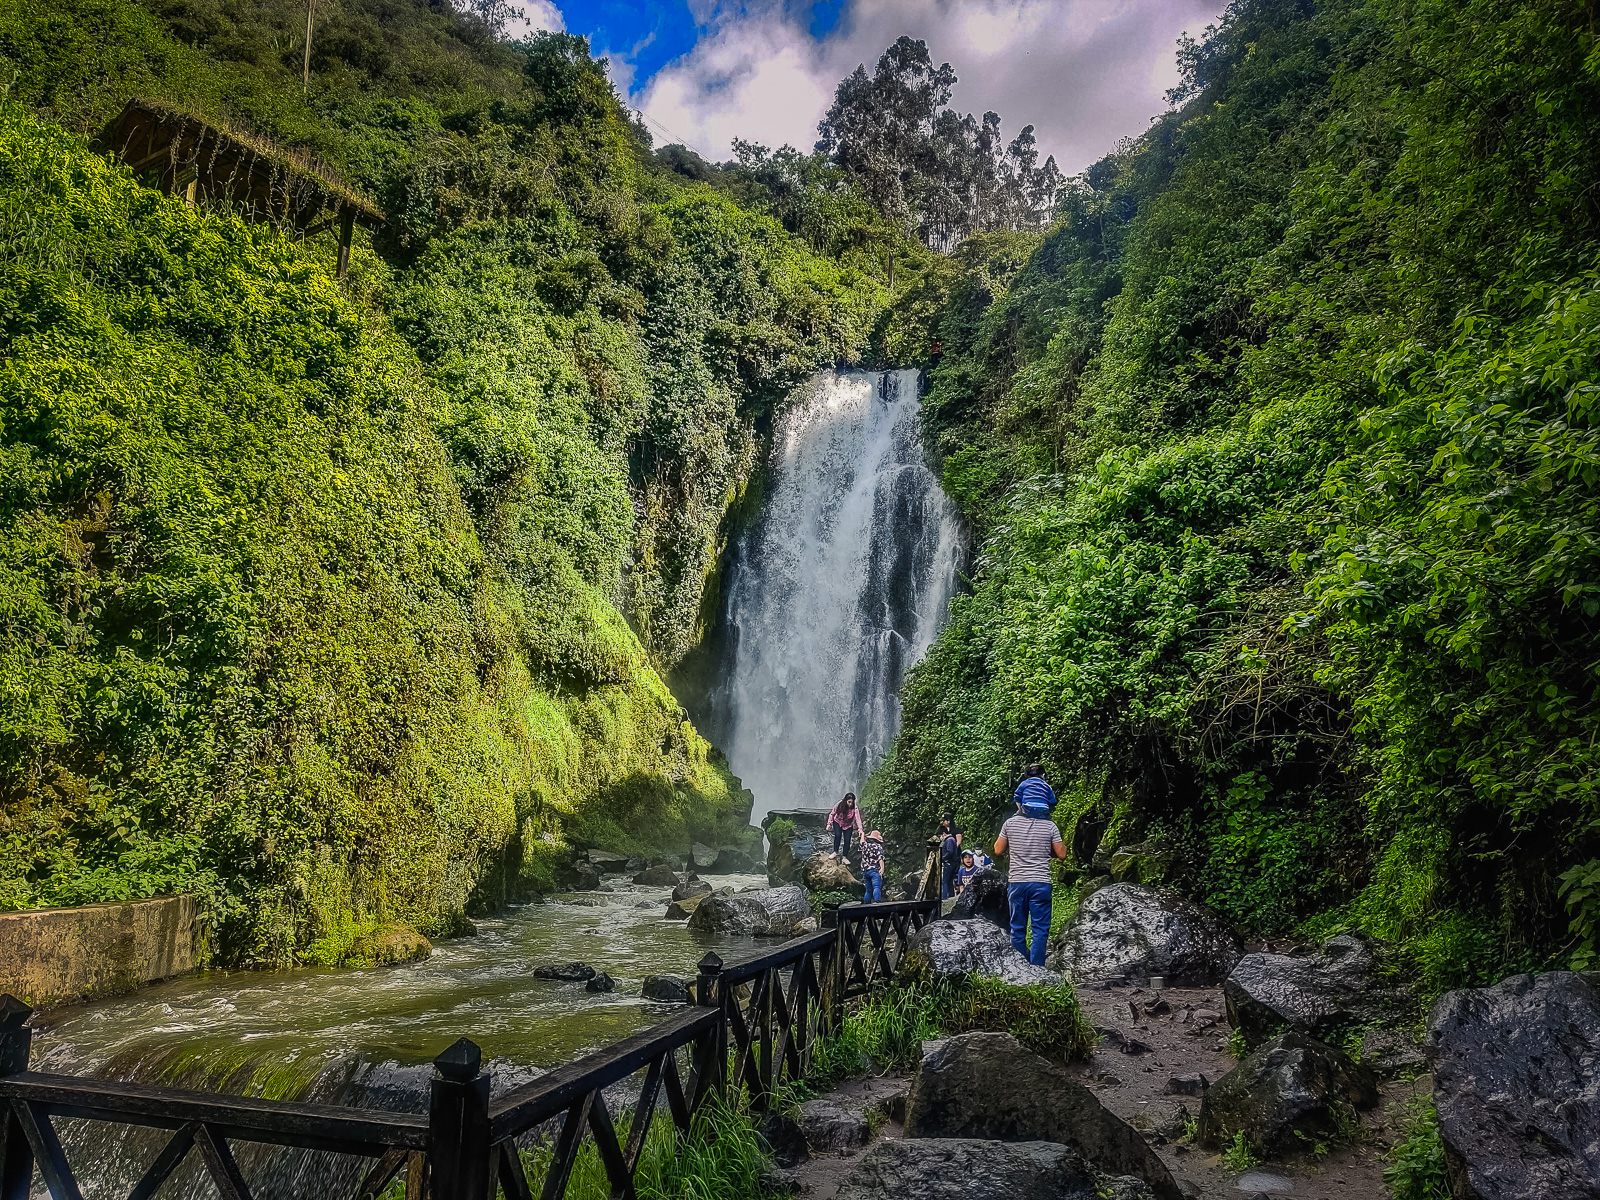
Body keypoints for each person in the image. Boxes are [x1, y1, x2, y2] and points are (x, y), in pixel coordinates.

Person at [994, 788, 1067, 967]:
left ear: (1021, 804)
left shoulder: (1010, 824)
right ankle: (1038, 970)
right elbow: (1062, 854)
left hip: (1017, 883)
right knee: (1040, 931)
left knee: (1017, 929)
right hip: (1040, 883)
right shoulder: (1050, 826)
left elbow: (997, 849)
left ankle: (1020, 972)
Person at [828, 793, 865, 860]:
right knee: (838, 835)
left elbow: (858, 819)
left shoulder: (854, 808)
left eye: (852, 802)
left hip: (848, 825)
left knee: (847, 840)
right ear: (846, 800)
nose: (850, 804)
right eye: (849, 802)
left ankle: (845, 856)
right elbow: (832, 813)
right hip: (837, 822)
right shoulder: (839, 805)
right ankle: (835, 852)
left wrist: (860, 829)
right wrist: (829, 824)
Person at [937, 811, 964, 900]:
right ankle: (950, 895)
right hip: (947, 855)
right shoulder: (941, 829)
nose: (943, 822)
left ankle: (948, 896)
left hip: (953, 857)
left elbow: (958, 841)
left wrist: (952, 849)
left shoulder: (955, 830)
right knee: (947, 880)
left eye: (944, 820)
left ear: (948, 821)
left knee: (951, 878)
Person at [860, 830, 886, 902]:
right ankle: (877, 903)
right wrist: (882, 868)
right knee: (876, 887)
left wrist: (862, 835)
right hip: (874, 870)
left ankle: (866, 906)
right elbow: (880, 858)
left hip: (865, 871)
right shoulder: (878, 846)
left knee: (868, 890)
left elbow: (861, 842)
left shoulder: (865, 845)